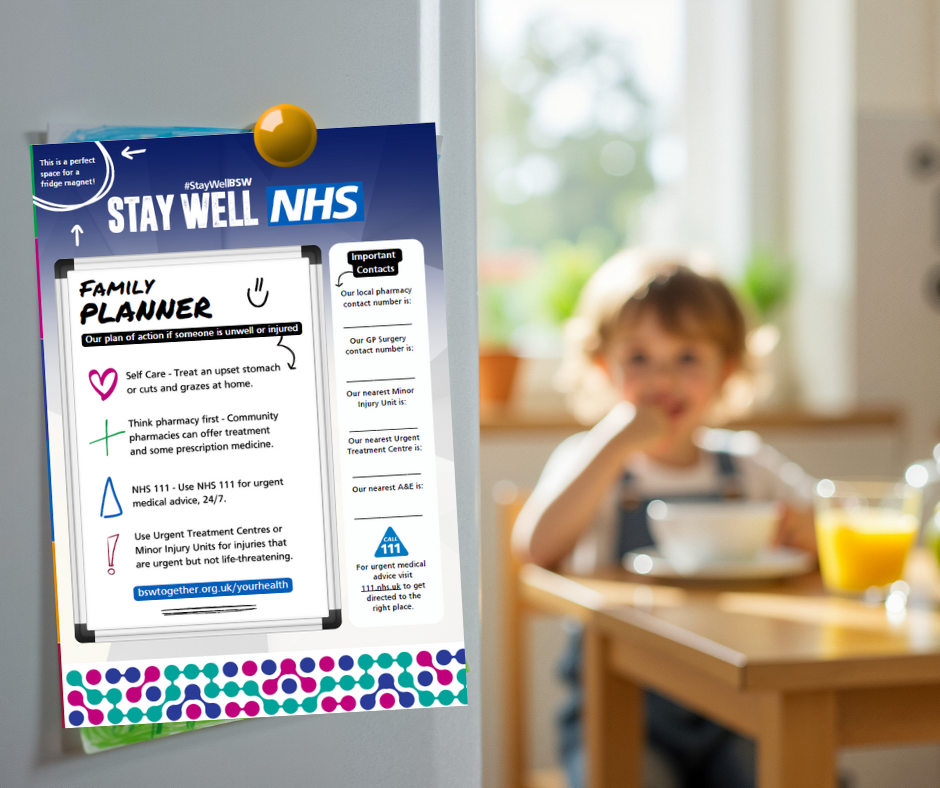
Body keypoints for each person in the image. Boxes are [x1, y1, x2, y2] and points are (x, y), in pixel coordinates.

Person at [512, 251, 816, 788]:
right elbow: (534, 549)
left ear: (726, 370)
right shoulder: (592, 460)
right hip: (619, 712)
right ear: (604, 367)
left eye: (687, 358)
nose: (663, 379)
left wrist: (802, 532)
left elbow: (822, 528)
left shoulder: (746, 465)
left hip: (737, 706)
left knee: (790, 770)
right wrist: (611, 445)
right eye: (639, 358)